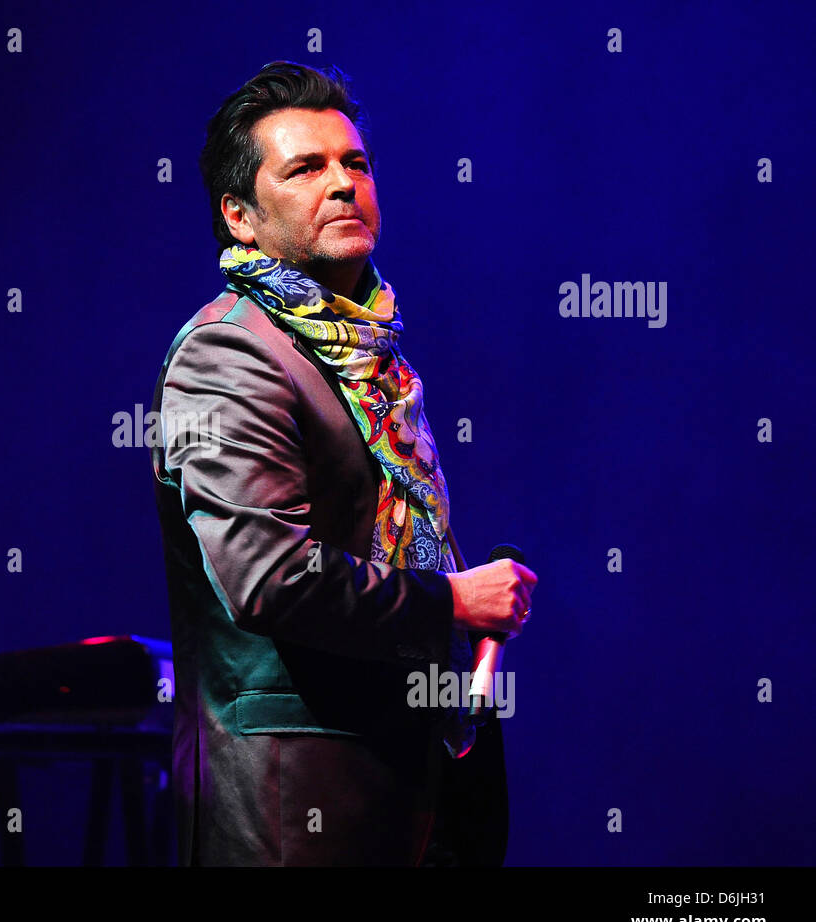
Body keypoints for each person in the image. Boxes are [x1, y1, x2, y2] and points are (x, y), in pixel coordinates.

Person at [151, 61, 538, 866]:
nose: (342, 184)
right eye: (305, 168)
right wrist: (452, 603)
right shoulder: (228, 354)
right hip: (297, 805)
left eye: (354, 164)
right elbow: (268, 577)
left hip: (414, 782)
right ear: (240, 217)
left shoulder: (367, 349)